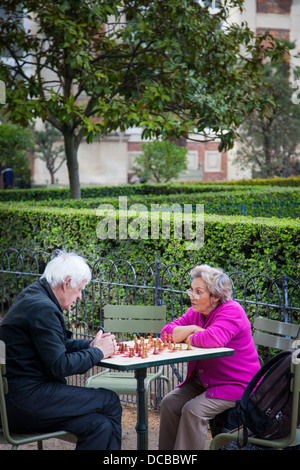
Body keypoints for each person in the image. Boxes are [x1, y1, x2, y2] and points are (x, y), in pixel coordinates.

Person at [0, 251, 122, 450]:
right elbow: (59, 365)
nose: (80, 297)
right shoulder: (43, 308)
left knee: (100, 425)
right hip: (25, 401)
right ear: (67, 283)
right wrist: (98, 352)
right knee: (110, 400)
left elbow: (56, 344)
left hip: (12, 401)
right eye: (80, 289)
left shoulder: (33, 295)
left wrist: (90, 346)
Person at [158, 264, 260, 450]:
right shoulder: (194, 314)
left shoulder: (232, 311)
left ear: (215, 297)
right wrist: (193, 329)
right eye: (191, 290)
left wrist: (186, 336)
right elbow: (165, 334)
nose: (192, 296)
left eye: (198, 292)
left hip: (236, 384)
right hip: (205, 381)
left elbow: (212, 338)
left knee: (193, 411)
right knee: (170, 403)